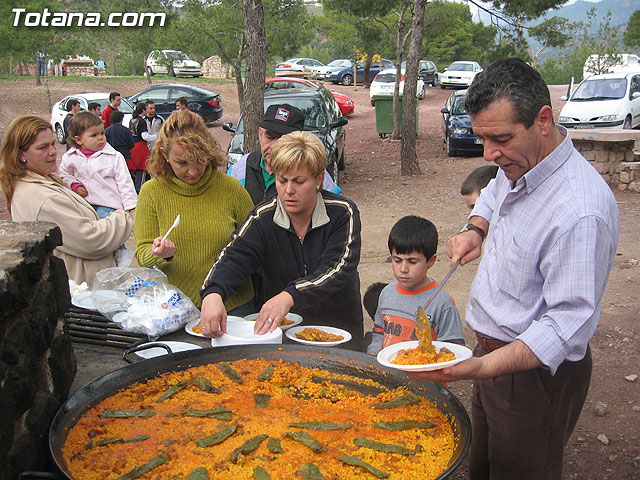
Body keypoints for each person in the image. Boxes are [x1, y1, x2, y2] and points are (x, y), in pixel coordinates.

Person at [412, 58, 620, 480]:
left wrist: (483, 367)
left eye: (500, 138)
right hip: (489, 356)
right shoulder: (518, 163)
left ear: (543, 119)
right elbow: (493, 190)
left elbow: (567, 325)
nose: (489, 153)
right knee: (485, 467)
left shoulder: (579, 211)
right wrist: (475, 228)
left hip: (534, 377)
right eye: (482, 138)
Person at [200, 131, 364, 350]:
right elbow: (234, 256)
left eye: (299, 181)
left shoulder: (343, 212)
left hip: (339, 331)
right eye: (282, 180)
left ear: (318, 179)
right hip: (283, 336)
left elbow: (338, 268)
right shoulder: (262, 217)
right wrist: (213, 292)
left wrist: (290, 295)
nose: (288, 191)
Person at [134, 110, 254, 311]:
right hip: (175, 308)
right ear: (165, 154)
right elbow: (142, 256)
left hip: (233, 306)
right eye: (182, 163)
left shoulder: (231, 189)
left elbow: (255, 245)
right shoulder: (151, 192)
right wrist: (158, 253)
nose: (192, 171)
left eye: (200, 160)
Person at [0, 116, 132, 287]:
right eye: (42, 147)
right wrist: (123, 217)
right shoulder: (40, 197)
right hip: (83, 290)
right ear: (21, 155)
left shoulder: (41, 181)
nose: (53, 151)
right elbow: (91, 240)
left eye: (53, 144)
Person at [366, 216, 464, 355]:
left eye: (412, 262)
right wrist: (374, 354)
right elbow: (379, 333)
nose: (403, 269)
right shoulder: (387, 293)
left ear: (431, 261)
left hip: (424, 375)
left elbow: (452, 350)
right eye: (397, 260)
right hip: (388, 372)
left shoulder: (442, 303)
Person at [60, 112, 137, 266]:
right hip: (84, 204)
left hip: (108, 204)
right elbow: (64, 175)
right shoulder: (71, 158)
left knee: (108, 230)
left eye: (102, 133)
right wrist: (74, 185)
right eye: (94, 135)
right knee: (87, 232)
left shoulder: (114, 157)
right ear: (78, 140)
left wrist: (130, 206)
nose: (101, 138)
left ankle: (119, 251)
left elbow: (125, 182)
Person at [228, 103, 341, 207]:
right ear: (260, 134)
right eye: (270, 136)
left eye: (284, 138)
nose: (274, 146)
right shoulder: (241, 169)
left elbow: (335, 210)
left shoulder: (312, 170)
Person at [129, 103, 154, 193]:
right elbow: (145, 136)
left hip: (133, 146)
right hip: (141, 148)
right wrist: (157, 136)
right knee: (143, 169)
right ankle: (139, 190)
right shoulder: (142, 121)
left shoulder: (132, 120)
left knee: (137, 170)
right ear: (143, 110)